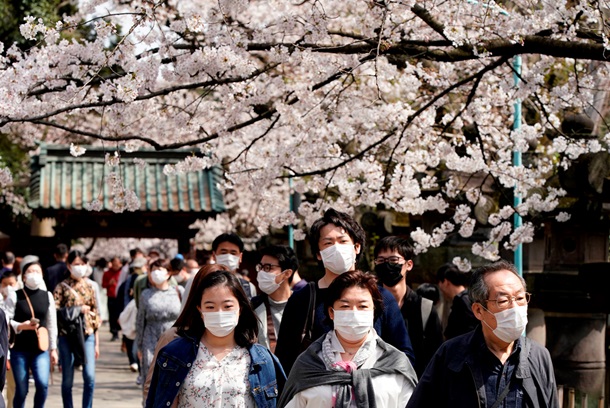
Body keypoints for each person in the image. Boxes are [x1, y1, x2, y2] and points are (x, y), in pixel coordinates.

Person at [275, 208, 414, 374]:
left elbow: (403, 356)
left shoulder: (380, 297)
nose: (336, 248)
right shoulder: (302, 300)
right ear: (319, 254)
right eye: (328, 243)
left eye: (342, 241)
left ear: (356, 247)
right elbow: (284, 358)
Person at [407, 260, 559, 407]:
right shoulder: (451, 355)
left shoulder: (538, 356)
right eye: (503, 300)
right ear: (479, 310)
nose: (515, 308)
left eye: (520, 298)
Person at [146, 268, 285, 408]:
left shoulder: (262, 360)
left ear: (240, 309)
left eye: (227, 306)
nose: (219, 313)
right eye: (210, 306)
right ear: (200, 310)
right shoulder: (175, 354)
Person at [279, 271, 417, 407]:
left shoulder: (395, 364)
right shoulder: (309, 363)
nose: (354, 313)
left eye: (363, 306)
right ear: (331, 312)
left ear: (373, 312)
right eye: (345, 306)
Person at [373, 236, 443, 376]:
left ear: (409, 264)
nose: (387, 265)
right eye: (381, 260)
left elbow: (435, 357)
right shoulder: (368, 305)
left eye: (393, 260)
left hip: (415, 389)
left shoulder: (424, 308)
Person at [6, 259, 58, 408]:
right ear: (23, 276)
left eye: (37, 271)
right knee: (21, 389)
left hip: (40, 349)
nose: (34, 274)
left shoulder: (47, 296)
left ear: (42, 275)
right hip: (19, 349)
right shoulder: (15, 295)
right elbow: (6, 320)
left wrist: (53, 349)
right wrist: (21, 326)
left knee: (42, 384)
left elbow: (51, 323)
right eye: (30, 271)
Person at [53, 249, 101, 408]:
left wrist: (97, 343)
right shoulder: (61, 287)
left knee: (90, 376)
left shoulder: (90, 286)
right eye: (76, 264)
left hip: (87, 334)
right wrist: (77, 310)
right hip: (67, 335)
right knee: (67, 378)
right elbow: (54, 312)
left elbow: (96, 315)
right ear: (68, 265)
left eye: (82, 264)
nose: (79, 267)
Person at [136, 259, 184, 390]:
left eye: (160, 269)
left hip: (174, 338)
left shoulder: (179, 291)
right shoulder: (146, 294)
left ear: (168, 273)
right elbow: (140, 320)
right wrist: (139, 345)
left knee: (171, 378)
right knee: (150, 378)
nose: (156, 273)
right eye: (153, 270)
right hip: (150, 338)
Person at [181, 233, 257, 309]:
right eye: (223, 252)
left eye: (233, 253)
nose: (228, 256)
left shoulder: (248, 287)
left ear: (240, 257)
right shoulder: (197, 282)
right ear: (214, 255)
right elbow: (185, 313)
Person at [251, 245, 299, 351]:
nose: (262, 273)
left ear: (286, 273)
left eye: (268, 268)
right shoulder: (253, 307)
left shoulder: (303, 304)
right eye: (260, 267)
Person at [437, 262, 479, 339]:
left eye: (439, 282)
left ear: (446, 282)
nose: (439, 286)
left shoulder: (463, 300)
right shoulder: (468, 297)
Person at [102, 257, 123, 341]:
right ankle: (114, 332)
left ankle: (120, 331)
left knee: (119, 315)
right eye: (114, 264)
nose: (115, 266)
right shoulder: (107, 273)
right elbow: (103, 285)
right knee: (112, 316)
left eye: (117, 264)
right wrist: (109, 283)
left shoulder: (122, 273)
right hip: (111, 297)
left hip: (120, 297)